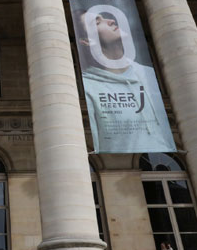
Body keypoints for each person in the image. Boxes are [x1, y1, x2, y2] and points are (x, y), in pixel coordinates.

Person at [75, 9, 175, 153]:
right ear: (86, 40)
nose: (111, 21)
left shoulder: (149, 75)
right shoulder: (90, 86)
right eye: (98, 22)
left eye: (105, 18)